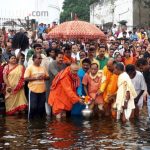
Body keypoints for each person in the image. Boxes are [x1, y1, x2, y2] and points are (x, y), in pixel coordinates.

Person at [24, 53, 49, 119]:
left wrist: (44, 77)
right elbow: (26, 78)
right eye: (39, 58)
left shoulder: (43, 68)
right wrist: (36, 78)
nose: (40, 60)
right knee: (32, 107)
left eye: (41, 58)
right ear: (34, 59)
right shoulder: (29, 68)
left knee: (41, 107)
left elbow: (48, 77)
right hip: (33, 90)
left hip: (42, 90)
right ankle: (30, 122)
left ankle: (40, 123)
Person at [45, 52, 66, 116]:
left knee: (57, 104)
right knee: (49, 101)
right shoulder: (52, 64)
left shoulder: (64, 65)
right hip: (50, 86)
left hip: (59, 87)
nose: (61, 59)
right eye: (59, 57)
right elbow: (57, 74)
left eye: (62, 58)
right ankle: (49, 118)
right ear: (56, 57)